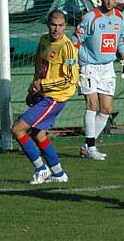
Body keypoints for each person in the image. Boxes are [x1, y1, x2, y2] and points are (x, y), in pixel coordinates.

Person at [11, 10, 79, 184]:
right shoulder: (43, 41)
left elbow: (71, 79)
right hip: (43, 94)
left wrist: (44, 85)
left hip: (55, 98)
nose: (57, 29)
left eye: (61, 25)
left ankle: (41, 169)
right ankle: (58, 174)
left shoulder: (68, 48)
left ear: (65, 26)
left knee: (18, 129)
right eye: (53, 25)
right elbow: (39, 68)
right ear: (48, 24)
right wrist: (32, 89)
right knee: (39, 135)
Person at [72, 0, 124, 161]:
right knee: (92, 105)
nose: (109, 1)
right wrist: (72, 65)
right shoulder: (91, 18)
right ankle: (91, 148)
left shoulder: (119, 17)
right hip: (88, 65)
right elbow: (76, 40)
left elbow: (121, 40)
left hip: (107, 67)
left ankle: (86, 146)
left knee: (106, 109)